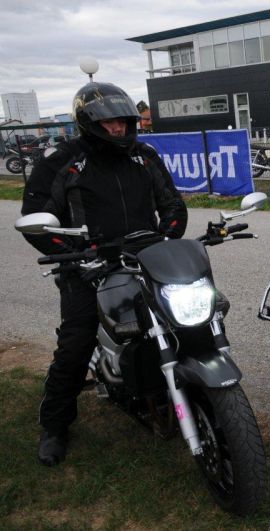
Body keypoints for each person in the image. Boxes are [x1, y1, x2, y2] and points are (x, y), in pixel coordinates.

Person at [21, 82, 188, 466]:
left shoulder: (143, 156)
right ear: (89, 123)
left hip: (146, 261)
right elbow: (36, 219)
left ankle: (182, 393)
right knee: (76, 344)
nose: (118, 129)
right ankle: (55, 425)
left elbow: (172, 204)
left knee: (186, 320)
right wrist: (74, 255)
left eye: (124, 121)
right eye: (109, 123)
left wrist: (167, 239)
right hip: (87, 267)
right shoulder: (64, 161)